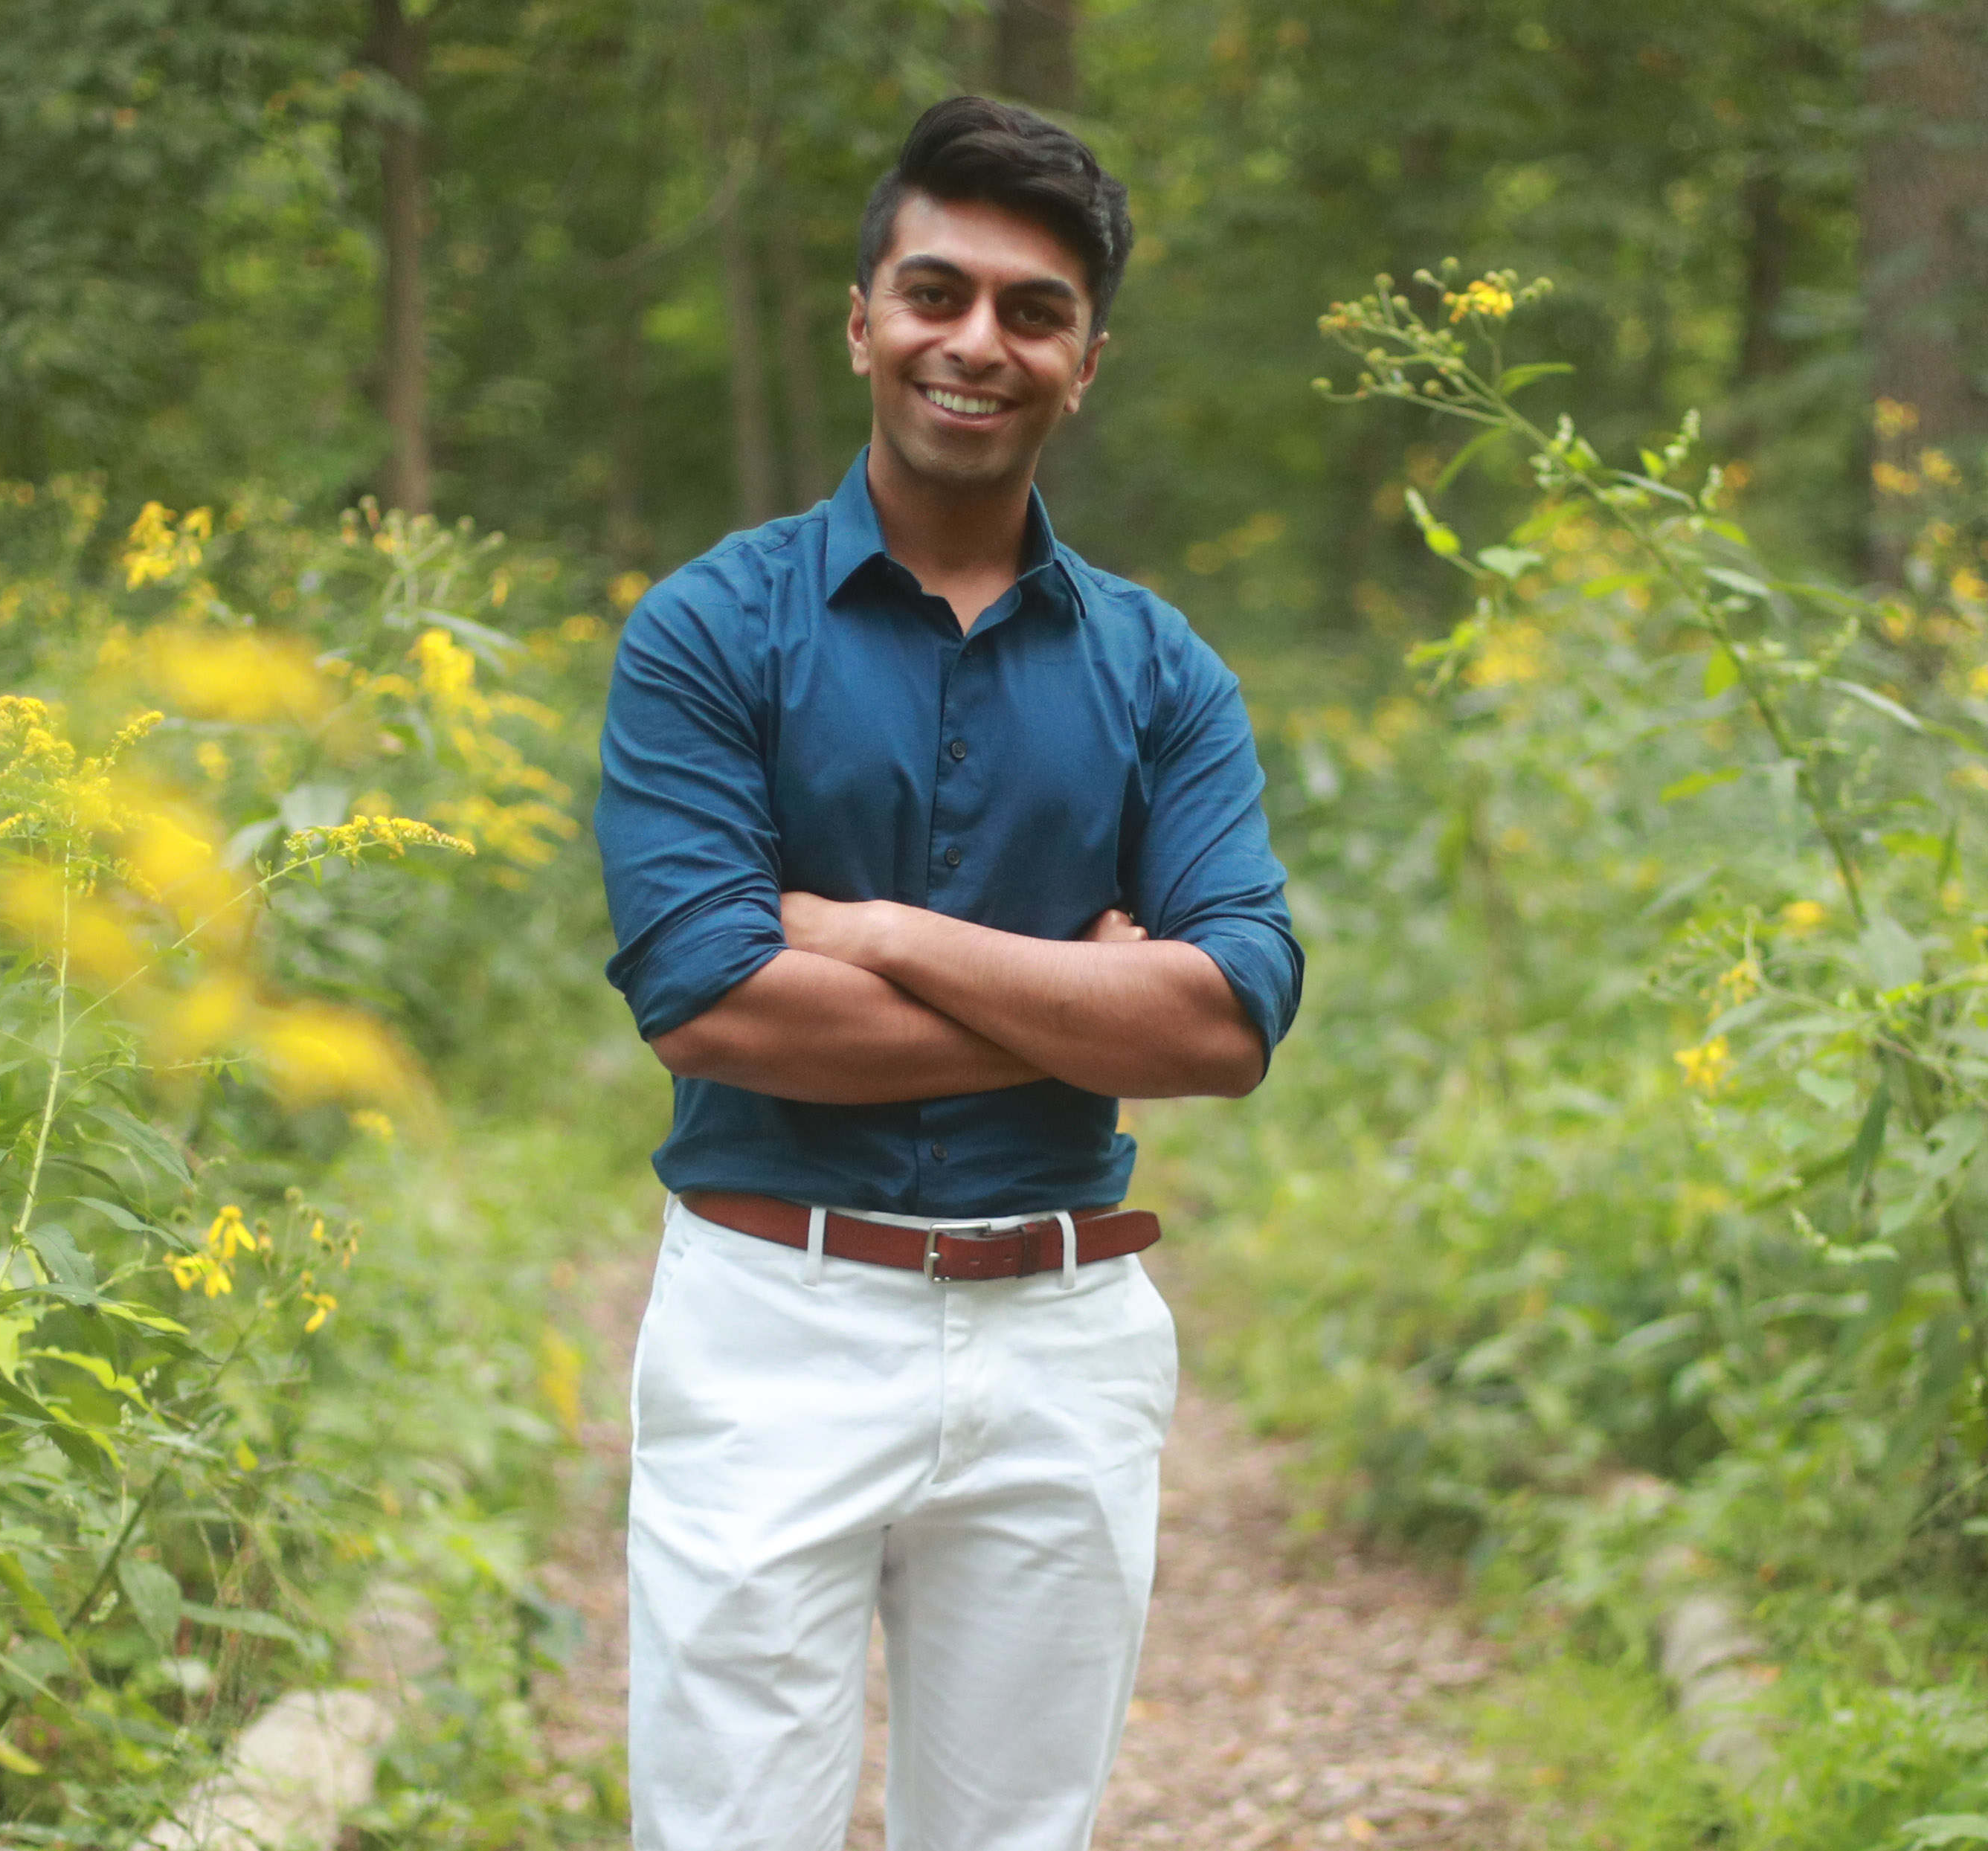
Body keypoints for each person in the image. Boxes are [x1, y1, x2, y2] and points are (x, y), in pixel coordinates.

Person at [593, 94, 1302, 1851]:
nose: (974, 341)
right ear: (859, 322)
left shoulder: (1160, 669)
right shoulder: (705, 632)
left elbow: (1226, 1017)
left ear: (1085, 361)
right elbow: (713, 1000)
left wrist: (885, 937)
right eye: (935, 292)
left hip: (1060, 1339)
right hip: (771, 1318)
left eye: (1031, 310)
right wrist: (1080, 1005)